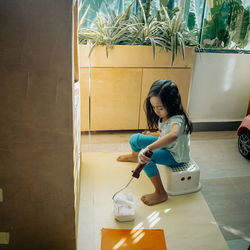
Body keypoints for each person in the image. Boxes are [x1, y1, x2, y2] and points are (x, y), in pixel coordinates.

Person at [117, 79, 193, 206]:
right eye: (153, 107)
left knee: (147, 157)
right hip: (167, 146)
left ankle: (161, 192)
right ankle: (135, 156)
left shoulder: (178, 119)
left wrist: (149, 147)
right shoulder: (165, 115)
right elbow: (165, 132)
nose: (156, 111)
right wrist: (153, 134)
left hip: (175, 155)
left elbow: (173, 135)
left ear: (172, 104)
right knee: (135, 138)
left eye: (160, 108)